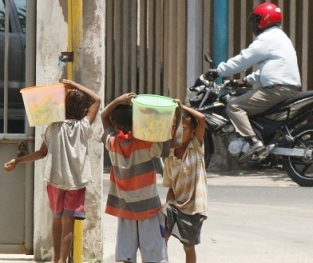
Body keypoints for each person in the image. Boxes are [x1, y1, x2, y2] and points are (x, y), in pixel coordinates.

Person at [4, 79, 101, 263]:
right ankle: (63, 260)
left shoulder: (53, 127)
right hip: (76, 181)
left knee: (56, 220)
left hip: (55, 179)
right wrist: (74, 84)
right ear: (83, 110)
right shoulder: (84, 127)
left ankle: (56, 259)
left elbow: (41, 153)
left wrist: (17, 161)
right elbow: (97, 100)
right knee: (68, 222)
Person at [205, 2, 301, 162]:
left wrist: (218, 71)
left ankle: (253, 142)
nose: (254, 25)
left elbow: (244, 60)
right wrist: (244, 81)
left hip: (276, 89)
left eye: (256, 20)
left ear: (265, 20)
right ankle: (259, 138)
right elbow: (270, 70)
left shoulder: (267, 39)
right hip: (286, 88)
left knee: (234, 106)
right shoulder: (280, 37)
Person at [101, 93, 183, 263]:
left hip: (124, 208)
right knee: (154, 255)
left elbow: (103, 116)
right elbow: (176, 142)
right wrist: (178, 113)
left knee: (126, 256)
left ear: (116, 125)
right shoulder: (146, 144)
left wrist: (118, 100)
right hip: (148, 207)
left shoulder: (112, 143)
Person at [162, 105, 207, 263]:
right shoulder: (169, 154)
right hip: (175, 205)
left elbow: (201, 119)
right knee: (161, 237)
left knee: (188, 247)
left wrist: (180, 107)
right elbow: (171, 187)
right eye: (173, 127)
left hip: (193, 208)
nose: (177, 132)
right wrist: (167, 205)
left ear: (193, 132)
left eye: (183, 128)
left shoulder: (195, 147)